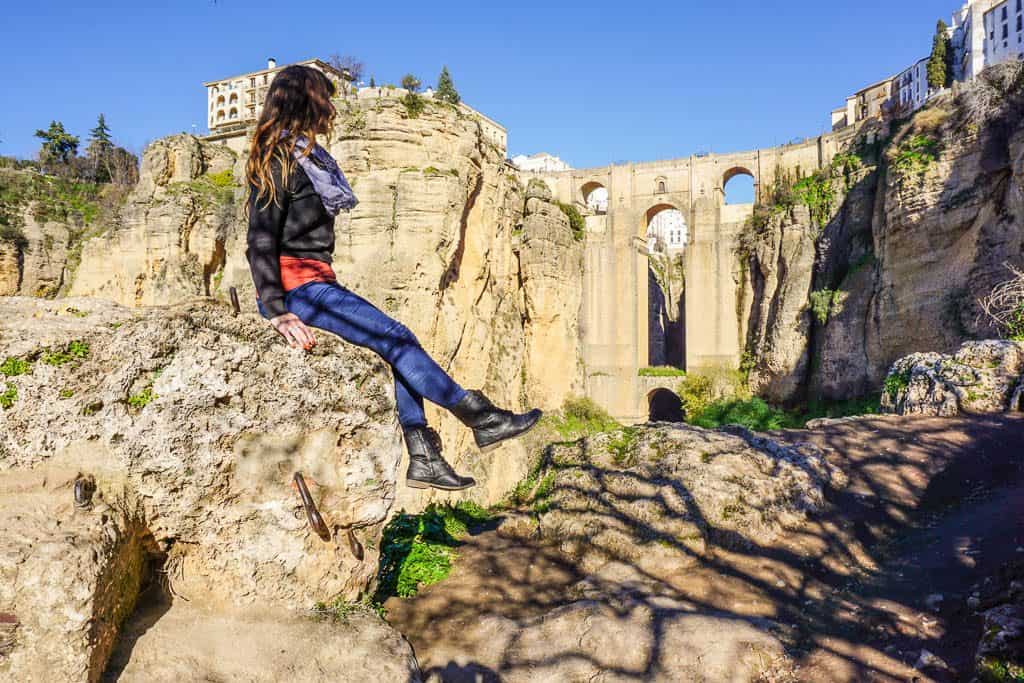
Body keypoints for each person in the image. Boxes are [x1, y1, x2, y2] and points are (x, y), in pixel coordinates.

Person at [245, 65, 541, 491]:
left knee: (397, 345)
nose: (331, 106)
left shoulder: (306, 159)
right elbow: (259, 240)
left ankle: (424, 455)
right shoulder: (278, 159)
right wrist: (276, 311)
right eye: (325, 97)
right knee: (397, 338)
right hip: (297, 291)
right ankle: (479, 417)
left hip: (317, 284)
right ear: (305, 100)